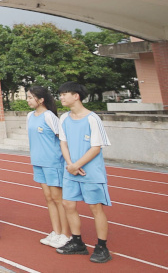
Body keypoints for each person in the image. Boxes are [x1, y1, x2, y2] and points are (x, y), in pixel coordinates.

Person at [55, 82, 112, 264]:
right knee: (68, 204)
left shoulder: (92, 118)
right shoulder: (64, 118)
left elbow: (96, 147)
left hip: (90, 172)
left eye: (65, 94)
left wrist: (77, 164)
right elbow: (63, 142)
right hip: (71, 169)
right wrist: (71, 164)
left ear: (76, 96)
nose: (61, 97)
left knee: (96, 208)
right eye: (61, 94)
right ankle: (77, 242)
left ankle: (102, 247)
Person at [27, 85, 70, 249]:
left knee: (58, 199)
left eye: (31, 97)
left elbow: (62, 138)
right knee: (48, 198)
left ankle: (66, 234)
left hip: (52, 162)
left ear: (41, 99)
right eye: (28, 97)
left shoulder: (49, 117)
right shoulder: (30, 116)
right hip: (38, 162)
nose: (28, 100)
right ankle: (56, 231)